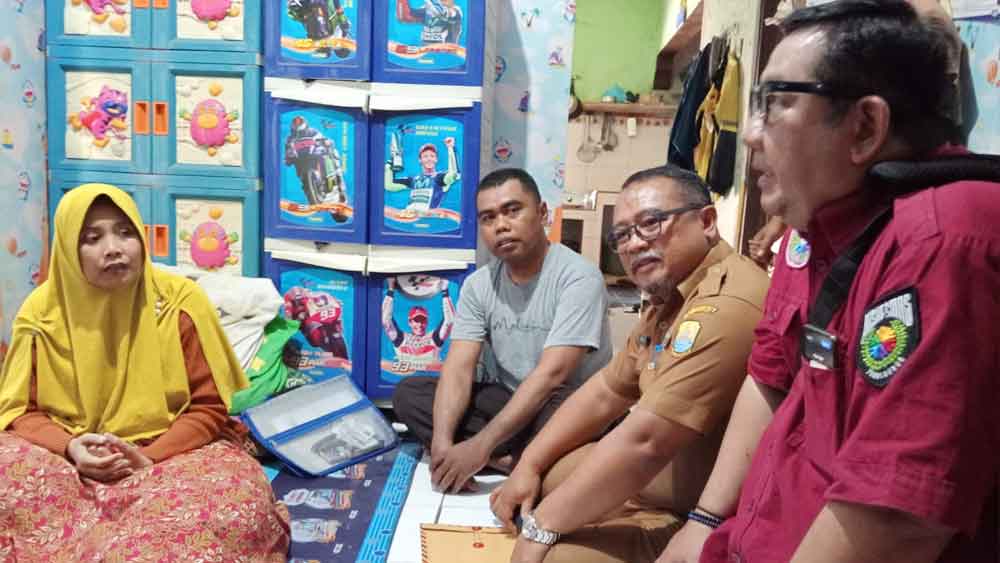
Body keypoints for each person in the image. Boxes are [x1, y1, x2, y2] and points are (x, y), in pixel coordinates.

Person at [659, 2, 1000, 562]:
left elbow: (897, 521)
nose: (750, 135)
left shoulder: (944, 240)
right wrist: (705, 522)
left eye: (775, 104)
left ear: (865, 127)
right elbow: (772, 375)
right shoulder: (816, 230)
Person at [490, 166, 770, 563]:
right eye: (621, 235)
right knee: (549, 477)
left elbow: (646, 442)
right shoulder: (672, 296)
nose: (634, 244)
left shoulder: (725, 305)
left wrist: (539, 531)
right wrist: (529, 465)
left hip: (706, 515)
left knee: (555, 557)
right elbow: (607, 391)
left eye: (651, 223)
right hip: (663, 480)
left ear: (706, 221)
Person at [0, 184, 290, 560]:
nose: (113, 248)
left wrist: (149, 457)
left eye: (126, 233)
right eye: (92, 238)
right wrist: (71, 448)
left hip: (171, 452)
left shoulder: (179, 302)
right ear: (69, 251)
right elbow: (22, 411)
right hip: (68, 453)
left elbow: (208, 408)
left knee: (232, 502)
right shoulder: (41, 312)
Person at [392, 168, 613, 493]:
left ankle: (505, 459)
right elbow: (459, 368)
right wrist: (441, 444)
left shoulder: (578, 278)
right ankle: (518, 462)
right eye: (488, 218)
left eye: (512, 211)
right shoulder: (479, 285)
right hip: (511, 401)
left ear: (542, 213)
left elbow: (552, 375)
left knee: (569, 406)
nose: (501, 226)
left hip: (568, 406)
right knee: (410, 394)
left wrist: (480, 447)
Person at [381, 276, 456, 372]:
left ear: (427, 322)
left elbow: (450, 321)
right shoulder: (401, 338)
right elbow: (385, 320)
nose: (420, 324)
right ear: (410, 322)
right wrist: (391, 290)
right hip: (405, 377)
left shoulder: (434, 338)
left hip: (431, 378)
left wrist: (445, 291)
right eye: (416, 320)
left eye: (423, 320)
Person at [385, 138, 459, 216]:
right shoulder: (413, 180)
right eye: (425, 156)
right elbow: (389, 185)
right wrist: (389, 164)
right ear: (420, 160)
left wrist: (450, 148)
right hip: (410, 219)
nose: (429, 159)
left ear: (436, 159)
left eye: (432, 156)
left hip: (429, 219)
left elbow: (453, 174)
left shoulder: (440, 178)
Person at [396, 0, 464, 45]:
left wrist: (432, 4)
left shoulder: (457, 11)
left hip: (447, 53)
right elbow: (405, 17)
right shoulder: (427, 10)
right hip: (427, 52)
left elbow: (446, 13)